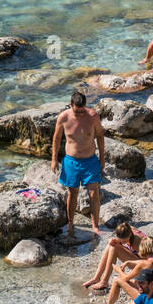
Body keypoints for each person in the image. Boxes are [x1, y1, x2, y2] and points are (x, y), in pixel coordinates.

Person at [52, 91, 105, 240]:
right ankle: (70, 223)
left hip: (90, 161)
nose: (80, 114)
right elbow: (56, 138)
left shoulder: (93, 116)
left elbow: (100, 136)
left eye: (82, 110)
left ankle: (95, 225)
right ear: (71, 105)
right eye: (77, 111)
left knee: (94, 193)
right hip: (71, 161)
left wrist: (102, 158)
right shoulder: (63, 117)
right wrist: (54, 159)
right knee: (73, 193)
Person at [83, 221, 141, 291]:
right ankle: (97, 278)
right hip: (134, 256)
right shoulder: (126, 229)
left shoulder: (137, 242)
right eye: (119, 239)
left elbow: (147, 262)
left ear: (129, 236)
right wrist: (114, 241)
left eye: (123, 241)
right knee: (111, 244)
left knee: (114, 248)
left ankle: (104, 282)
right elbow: (121, 241)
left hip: (141, 264)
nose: (121, 242)